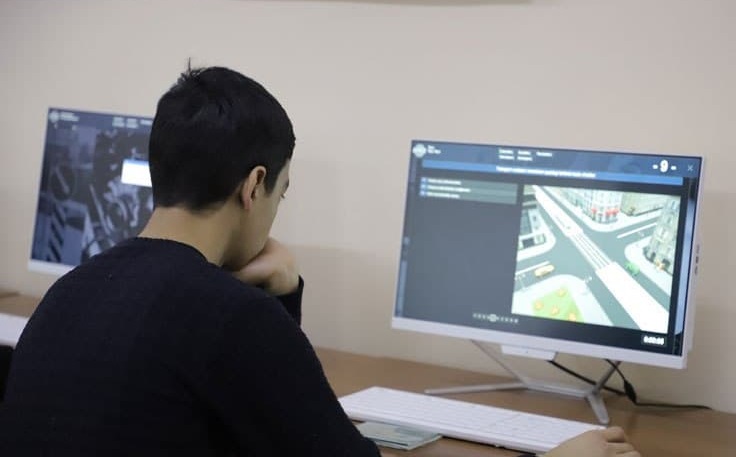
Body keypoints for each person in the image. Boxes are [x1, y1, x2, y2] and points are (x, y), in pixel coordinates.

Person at [0, 66, 640, 457]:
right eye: (282, 192)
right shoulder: (230, 319)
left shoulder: (70, 293)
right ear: (254, 185)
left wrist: (279, 292)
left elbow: (265, 416)